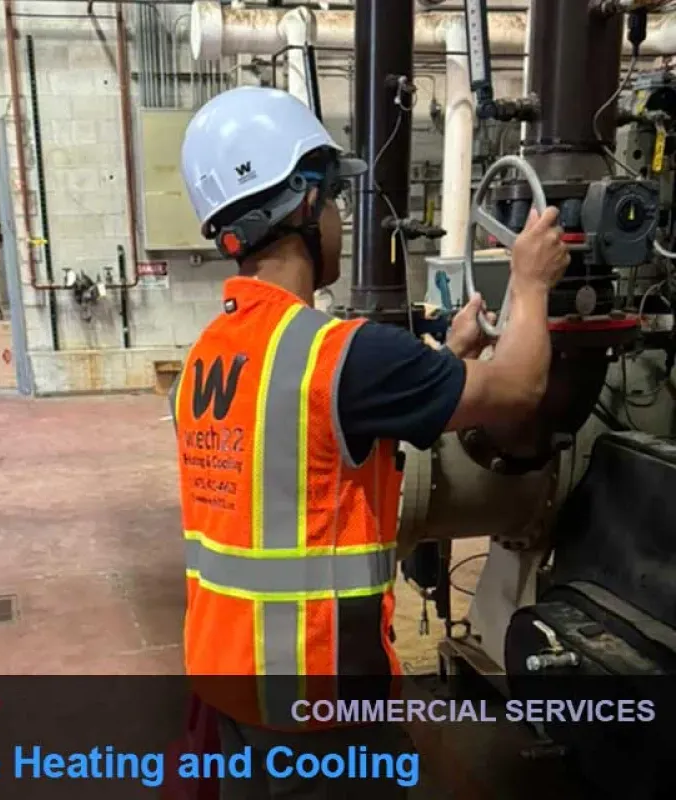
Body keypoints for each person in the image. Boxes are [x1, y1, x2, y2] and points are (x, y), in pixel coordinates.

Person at [171, 86, 570, 799]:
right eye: (331, 201)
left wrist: (446, 356)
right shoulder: (342, 357)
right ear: (302, 205)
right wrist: (531, 283)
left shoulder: (208, 356)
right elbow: (520, 389)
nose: (338, 220)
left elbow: (299, 462)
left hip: (231, 685)